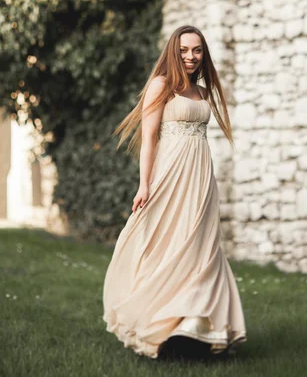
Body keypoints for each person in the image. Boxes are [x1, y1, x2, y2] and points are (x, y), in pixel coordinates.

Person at [102, 25, 247, 359]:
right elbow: (149, 137)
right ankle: (159, 326)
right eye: (183, 50)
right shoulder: (161, 85)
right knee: (168, 244)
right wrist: (145, 184)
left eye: (196, 50)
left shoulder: (201, 91)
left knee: (200, 248)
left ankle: (196, 330)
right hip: (170, 175)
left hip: (200, 179)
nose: (190, 56)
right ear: (173, 51)